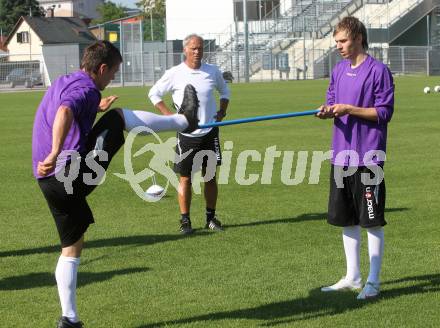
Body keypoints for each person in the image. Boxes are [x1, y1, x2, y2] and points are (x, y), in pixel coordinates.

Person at [32, 40, 199, 328]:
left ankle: (69, 319)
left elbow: (66, 106)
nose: (112, 80)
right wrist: (55, 152)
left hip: (48, 182)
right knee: (119, 118)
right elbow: (64, 113)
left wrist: (94, 109)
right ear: (101, 68)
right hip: (71, 173)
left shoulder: (67, 81)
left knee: (72, 247)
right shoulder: (85, 89)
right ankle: (184, 120)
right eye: (112, 74)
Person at [316, 16, 394, 299]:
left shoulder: (379, 71)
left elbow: (383, 113)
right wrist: (327, 110)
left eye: (343, 41)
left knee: (371, 220)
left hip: (368, 158)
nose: (339, 46)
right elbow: (333, 100)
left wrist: (350, 108)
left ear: (358, 38)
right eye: (336, 42)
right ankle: (353, 277)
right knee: (346, 219)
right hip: (341, 156)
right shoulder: (337, 70)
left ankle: (373, 281)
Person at [148, 34, 231, 234]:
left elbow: (225, 92)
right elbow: (154, 94)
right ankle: (185, 221)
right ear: (185, 50)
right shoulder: (174, 73)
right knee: (186, 178)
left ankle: (211, 218)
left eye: (200, 48)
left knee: (210, 177)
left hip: (210, 132)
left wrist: (222, 112)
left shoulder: (212, 71)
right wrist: (171, 117)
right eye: (193, 48)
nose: (197, 52)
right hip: (187, 135)